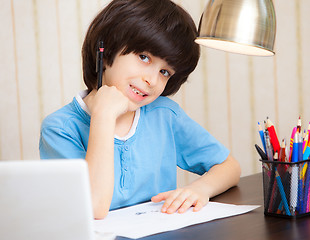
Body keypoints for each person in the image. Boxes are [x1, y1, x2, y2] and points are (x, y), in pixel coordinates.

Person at [39, 0, 241, 220]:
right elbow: (94, 206)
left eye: (165, 72)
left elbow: (229, 166)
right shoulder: (59, 128)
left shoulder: (164, 115)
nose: (152, 80)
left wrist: (200, 189)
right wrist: (104, 116)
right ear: (105, 54)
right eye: (144, 57)